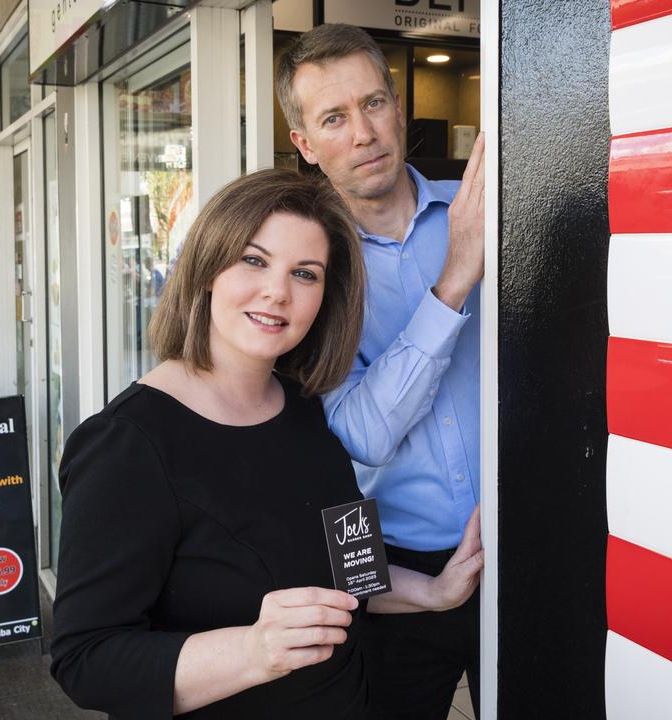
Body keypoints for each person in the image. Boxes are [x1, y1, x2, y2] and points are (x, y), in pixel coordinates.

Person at [49, 168, 483, 719]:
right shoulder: (126, 444)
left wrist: (435, 592)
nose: (277, 291)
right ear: (206, 268)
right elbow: (86, 660)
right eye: (254, 260)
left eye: (305, 274)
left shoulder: (305, 407)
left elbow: (351, 572)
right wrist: (255, 651)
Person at [276, 24, 486, 718]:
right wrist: (454, 280)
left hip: (525, 539)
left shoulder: (482, 211)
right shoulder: (308, 270)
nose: (363, 132)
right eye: (333, 118)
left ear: (399, 108)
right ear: (305, 144)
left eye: (373, 104)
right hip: (395, 566)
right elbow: (359, 435)